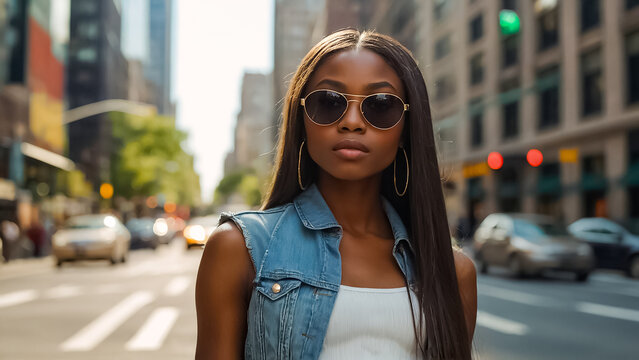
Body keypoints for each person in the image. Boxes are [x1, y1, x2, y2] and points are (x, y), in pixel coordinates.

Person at [196, 29, 477, 359]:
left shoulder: (452, 272)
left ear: (406, 129)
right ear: (302, 119)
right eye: (329, 103)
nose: (353, 122)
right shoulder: (239, 248)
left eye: (381, 105)